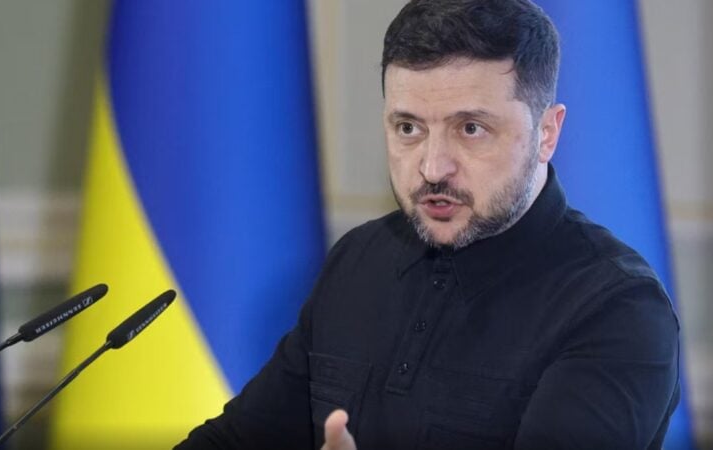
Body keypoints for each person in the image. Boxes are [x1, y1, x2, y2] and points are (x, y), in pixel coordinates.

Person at [176, 0, 680, 448]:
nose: (433, 167)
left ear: (546, 133)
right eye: (409, 128)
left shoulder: (618, 307)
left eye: (471, 128)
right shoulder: (359, 257)